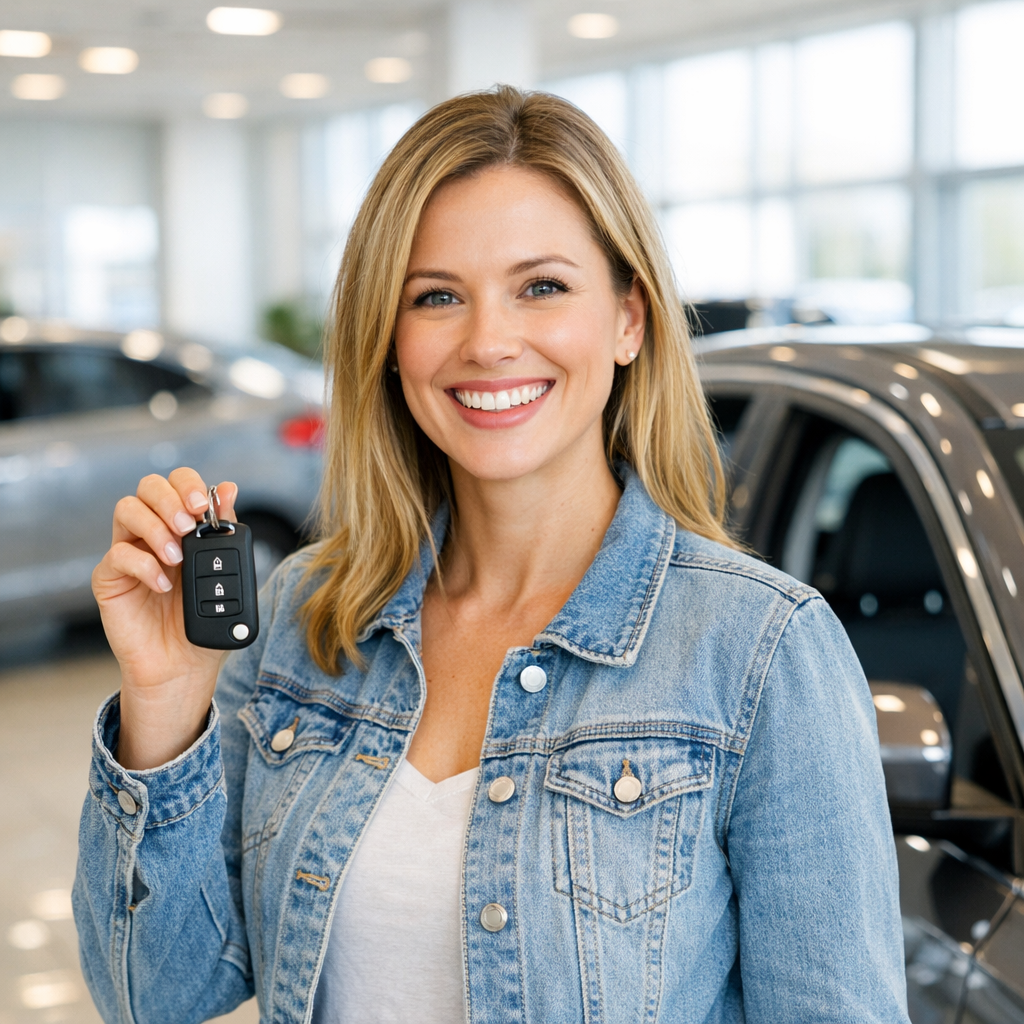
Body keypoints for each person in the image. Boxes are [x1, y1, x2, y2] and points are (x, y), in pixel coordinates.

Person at [75, 87, 909, 1024]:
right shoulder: (311, 614)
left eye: (541, 286)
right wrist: (164, 702)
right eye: (436, 297)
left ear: (629, 318)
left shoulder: (760, 651)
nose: (488, 342)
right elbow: (157, 997)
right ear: (389, 343)